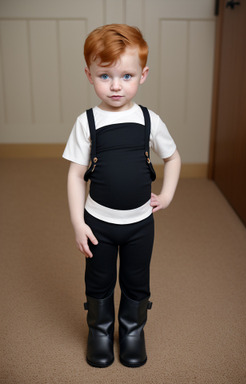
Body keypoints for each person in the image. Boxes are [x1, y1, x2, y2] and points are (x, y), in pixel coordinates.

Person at [63, 24, 181, 368]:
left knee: (136, 278)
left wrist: (168, 195)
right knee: (98, 281)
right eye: (105, 76)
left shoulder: (149, 120)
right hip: (97, 223)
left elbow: (172, 157)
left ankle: (132, 330)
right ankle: (100, 330)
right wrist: (77, 223)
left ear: (143, 75)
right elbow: (74, 175)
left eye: (126, 75)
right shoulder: (87, 122)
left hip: (140, 225)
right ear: (89, 75)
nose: (116, 85)